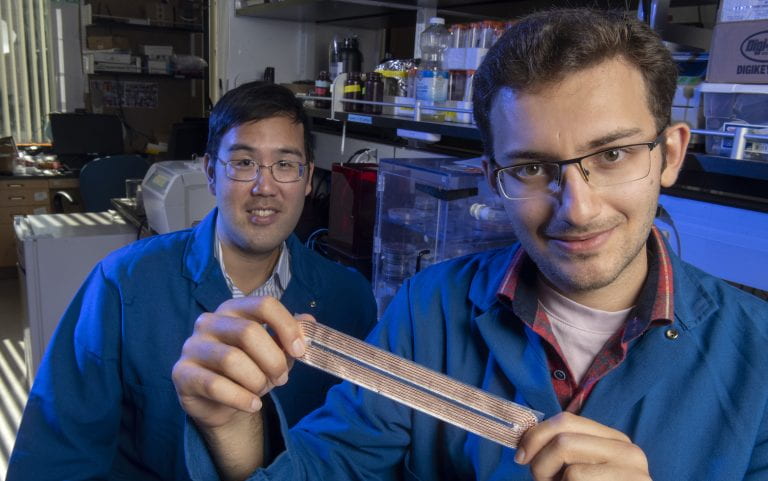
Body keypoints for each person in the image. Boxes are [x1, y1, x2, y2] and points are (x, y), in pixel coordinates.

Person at [174, 8, 768, 481]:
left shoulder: (758, 357)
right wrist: (231, 427)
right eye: (533, 168)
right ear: (493, 178)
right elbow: (329, 468)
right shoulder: (427, 311)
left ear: (670, 154)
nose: (578, 208)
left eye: (611, 155)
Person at [6, 83, 377, 480]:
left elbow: (358, 452)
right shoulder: (124, 284)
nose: (264, 187)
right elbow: (56, 456)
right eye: (243, 163)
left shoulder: (349, 299)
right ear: (210, 173)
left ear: (307, 180)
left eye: (285, 165)